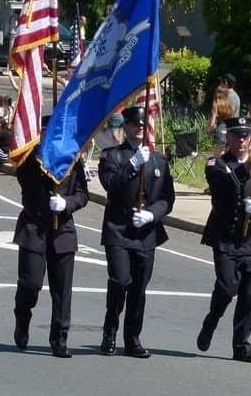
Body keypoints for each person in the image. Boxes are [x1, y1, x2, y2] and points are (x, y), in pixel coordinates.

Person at [196, 116, 251, 363]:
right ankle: (212, 319)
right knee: (226, 286)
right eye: (236, 136)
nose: (242, 141)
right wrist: (248, 169)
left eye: (246, 136)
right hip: (225, 238)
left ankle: (241, 345)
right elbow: (224, 184)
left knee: (249, 294)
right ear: (228, 138)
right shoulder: (216, 164)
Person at [97, 105, 175, 358]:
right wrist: (131, 164)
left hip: (145, 234)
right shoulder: (112, 157)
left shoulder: (159, 161)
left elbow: (167, 198)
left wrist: (152, 214)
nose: (139, 128)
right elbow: (110, 185)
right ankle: (110, 331)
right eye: (134, 124)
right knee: (120, 281)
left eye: (143, 125)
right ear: (126, 126)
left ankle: (132, 338)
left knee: (139, 289)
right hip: (119, 230)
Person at [12, 121, 89, 359]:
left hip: (62, 231)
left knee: (62, 290)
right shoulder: (29, 160)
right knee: (31, 284)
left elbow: (82, 194)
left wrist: (67, 203)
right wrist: (39, 155)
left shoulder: (72, 160)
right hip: (34, 227)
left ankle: (59, 338)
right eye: (47, 131)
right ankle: (22, 318)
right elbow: (22, 176)